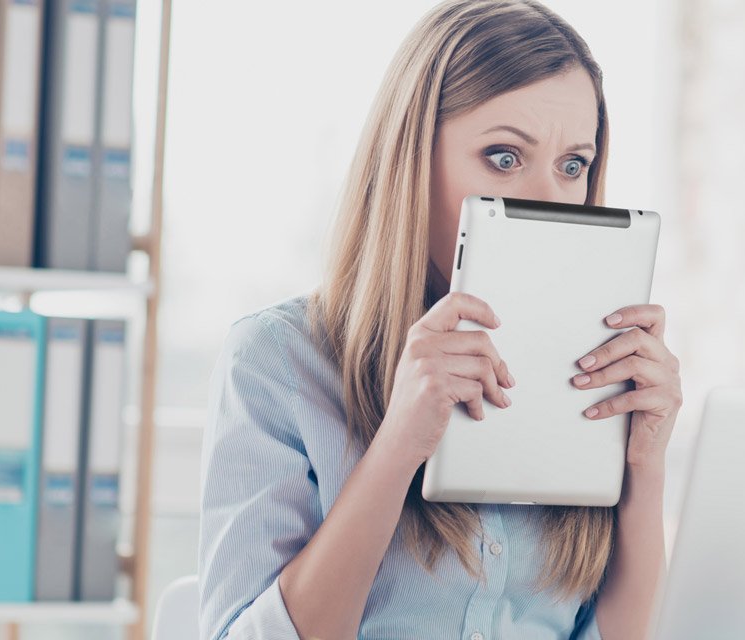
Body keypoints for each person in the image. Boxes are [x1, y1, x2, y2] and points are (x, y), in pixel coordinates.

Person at [198, 1, 683, 638]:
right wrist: (399, 445)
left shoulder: (592, 367)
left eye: (573, 166)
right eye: (504, 157)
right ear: (413, 163)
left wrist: (644, 468)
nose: (551, 201)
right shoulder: (276, 360)